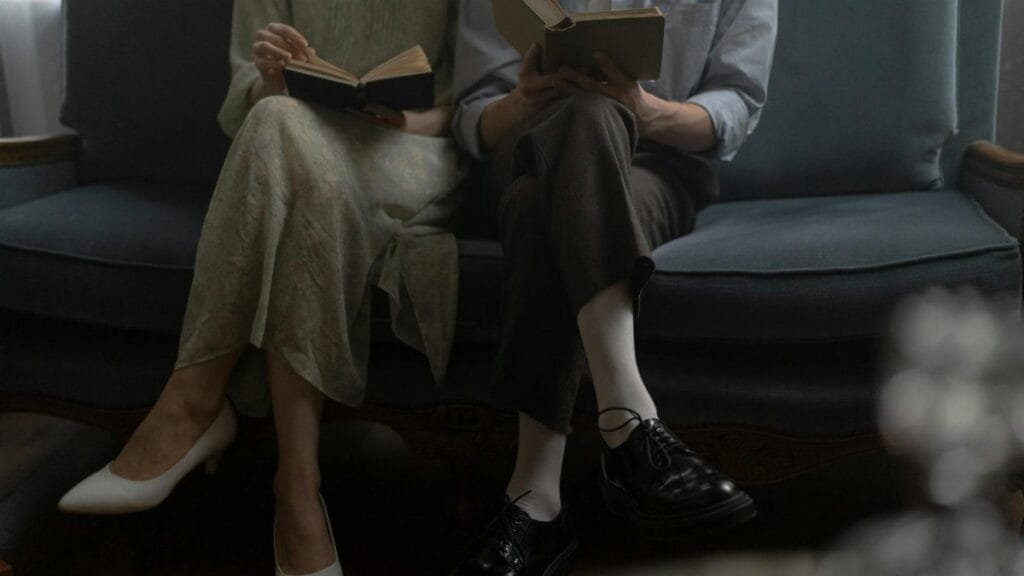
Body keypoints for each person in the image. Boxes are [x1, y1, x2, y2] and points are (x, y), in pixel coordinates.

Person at [57, 1, 464, 575]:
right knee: (281, 128)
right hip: (299, 135)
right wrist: (272, 81)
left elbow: (463, 104)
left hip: (410, 151)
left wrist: (399, 119)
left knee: (285, 142)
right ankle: (296, 486)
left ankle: (196, 407)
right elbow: (246, 92)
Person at [448, 1, 777, 574]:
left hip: (656, 163)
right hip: (526, 145)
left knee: (540, 198)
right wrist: (524, 100)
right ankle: (628, 420)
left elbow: (735, 105)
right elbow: (472, 117)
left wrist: (642, 110)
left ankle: (535, 498)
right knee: (582, 118)